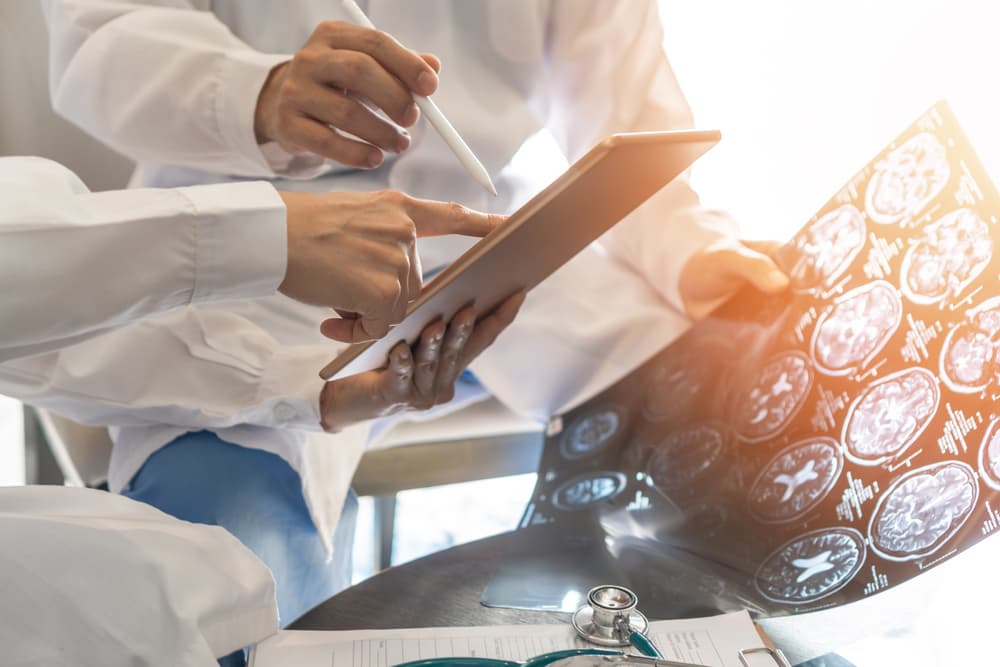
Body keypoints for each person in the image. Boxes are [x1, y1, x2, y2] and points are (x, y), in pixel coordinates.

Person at [38, 0, 790, 627]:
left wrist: (691, 249)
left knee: (737, 460)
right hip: (255, 253)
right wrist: (258, 95)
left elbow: (623, 101)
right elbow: (100, 35)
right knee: (233, 582)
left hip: (501, 236)